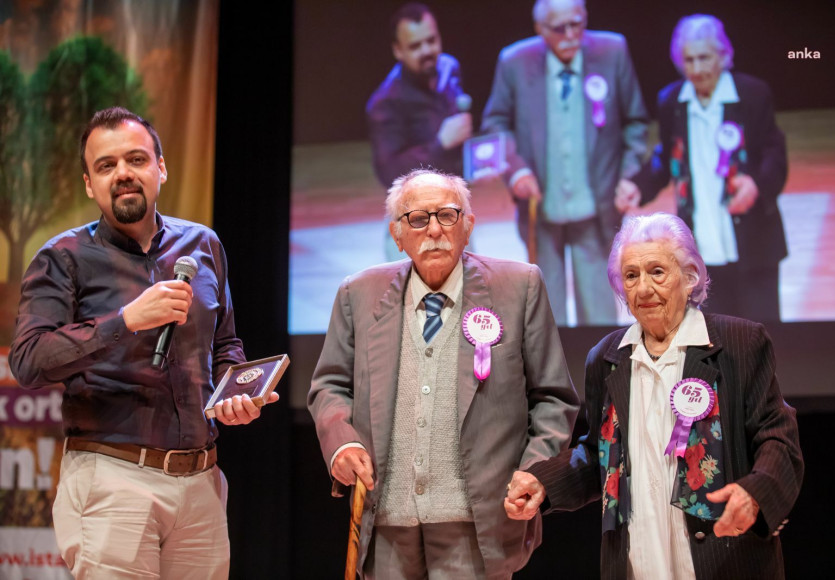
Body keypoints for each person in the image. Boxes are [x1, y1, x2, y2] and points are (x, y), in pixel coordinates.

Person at [9, 107, 278, 579]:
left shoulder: (203, 245)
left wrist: (234, 397)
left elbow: (225, 345)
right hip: (113, 478)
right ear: (90, 184)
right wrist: (126, 320)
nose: (123, 174)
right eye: (106, 165)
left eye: (135, 159)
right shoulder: (63, 258)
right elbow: (29, 361)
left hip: (201, 481)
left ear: (161, 168)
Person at [308, 168, 579, 579]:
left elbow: (553, 397)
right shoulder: (357, 294)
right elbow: (329, 385)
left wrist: (535, 468)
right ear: (398, 235)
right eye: (418, 219)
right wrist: (341, 445)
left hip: (478, 525)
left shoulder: (519, 286)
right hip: (386, 522)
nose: (434, 229)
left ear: (468, 226)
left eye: (447, 215)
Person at [505, 213, 804, 579]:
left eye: (657, 272)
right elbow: (599, 456)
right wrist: (544, 482)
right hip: (637, 561)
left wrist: (755, 493)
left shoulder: (738, 344)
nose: (643, 288)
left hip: (724, 560)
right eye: (631, 276)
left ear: (690, 276)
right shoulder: (607, 358)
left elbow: (778, 438)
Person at [481, 0, 648, 326]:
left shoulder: (612, 51)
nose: (571, 35)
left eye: (578, 24)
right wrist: (517, 171)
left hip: (596, 209)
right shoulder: (515, 61)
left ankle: (599, 375)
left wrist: (629, 175)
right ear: (540, 29)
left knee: (600, 315)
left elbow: (636, 122)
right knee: (547, 316)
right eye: (560, 28)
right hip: (542, 211)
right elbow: (495, 123)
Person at [625, 14, 788, 322]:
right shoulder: (672, 101)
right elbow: (666, 158)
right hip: (702, 250)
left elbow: (774, 154)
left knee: (764, 337)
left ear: (723, 56)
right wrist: (637, 185)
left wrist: (756, 184)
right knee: (716, 340)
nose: (697, 69)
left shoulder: (752, 94)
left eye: (704, 58)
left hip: (754, 244)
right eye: (689, 60)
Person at [367, 3, 473, 261]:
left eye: (431, 40)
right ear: (398, 50)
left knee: (468, 297)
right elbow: (390, 172)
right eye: (415, 46)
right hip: (413, 222)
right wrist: (440, 143)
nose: (427, 51)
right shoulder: (385, 103)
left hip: (455, 211)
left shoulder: (449, 68)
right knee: (417, 300)